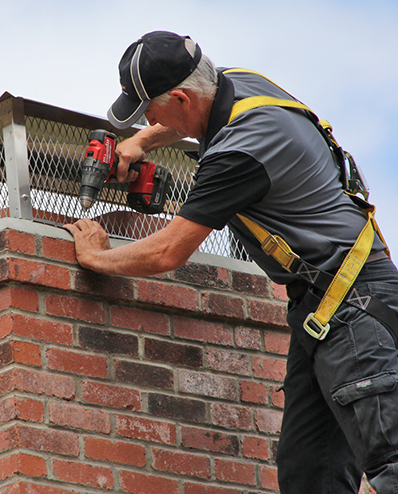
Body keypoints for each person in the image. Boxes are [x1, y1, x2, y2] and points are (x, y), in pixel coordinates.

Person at [63, 30, 398, 494]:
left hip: (356, 312)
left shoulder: (240, 152)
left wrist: (96, 256)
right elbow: (190, 117)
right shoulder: (238, 82)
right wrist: (141, 141)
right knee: (309, 474)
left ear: (181, 96)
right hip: (323, 312)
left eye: (149, 110)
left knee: (392, 464)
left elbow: (168, 250)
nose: (148, 118)